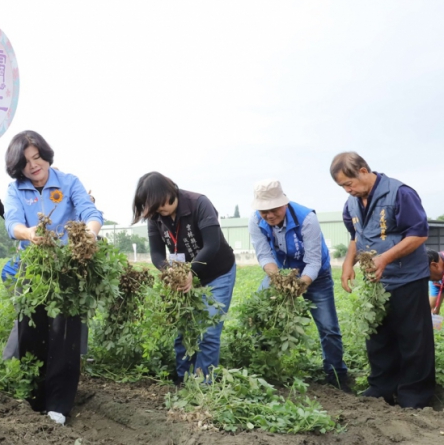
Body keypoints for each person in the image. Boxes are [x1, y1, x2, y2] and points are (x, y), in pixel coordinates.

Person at [3, 130, 102, 425]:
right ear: (18, 167)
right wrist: (27, 233)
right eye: (26, 162)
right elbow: (12, 223)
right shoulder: (16, 189)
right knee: (30, 332)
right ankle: (34, 397)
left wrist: (90, 234)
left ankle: (59, 403)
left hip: (67, 269)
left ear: (46, 155)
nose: (34, 165)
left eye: (37, 157)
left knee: (65, 336)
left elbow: (90, 212)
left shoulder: (68, 182)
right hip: (33, 269)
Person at [331, 151, 433, 408]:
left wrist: (385, 259)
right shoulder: (352, 203)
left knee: (413, 338)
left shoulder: (400, 193)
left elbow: (419, 234)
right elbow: (356, 235)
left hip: (407, 278)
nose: (347, 190)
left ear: (363, 171)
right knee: (378, 337)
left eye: (349, 183)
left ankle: (414, 396)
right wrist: (348, 264)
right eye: (342, 186)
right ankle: (382, 388)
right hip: (376, 282)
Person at [132, 172, 236, 383]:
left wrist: (191, 272)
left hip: (218, 273)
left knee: (208, 331)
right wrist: (169, 272)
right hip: (184, 276)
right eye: (153, 208)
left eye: (160, 205)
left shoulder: (199, 203)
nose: (159, 211)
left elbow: (212, 245)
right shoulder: (156, 217)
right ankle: (184, 381)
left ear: (168, 192)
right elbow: (157, 254)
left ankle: (203, 385)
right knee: (184, 331)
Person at [248, 179, 349, 391]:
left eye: (274, 209)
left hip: (315, 275)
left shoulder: (306, 219)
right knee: (258, 316)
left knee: (328, 327)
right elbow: (264, 255)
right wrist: (278, 279)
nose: (269, 215)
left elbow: (313, 261)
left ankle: (337, 378)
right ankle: (262, 370)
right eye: (264, 211)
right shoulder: (256, 221)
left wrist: (300, 285)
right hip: (281, 273)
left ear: (284, 203)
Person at [426, 250, 444, 314]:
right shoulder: (435, 277)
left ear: (434, 265)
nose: (427, 279)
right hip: (438, 280)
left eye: (427, 276)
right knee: (432, 309)